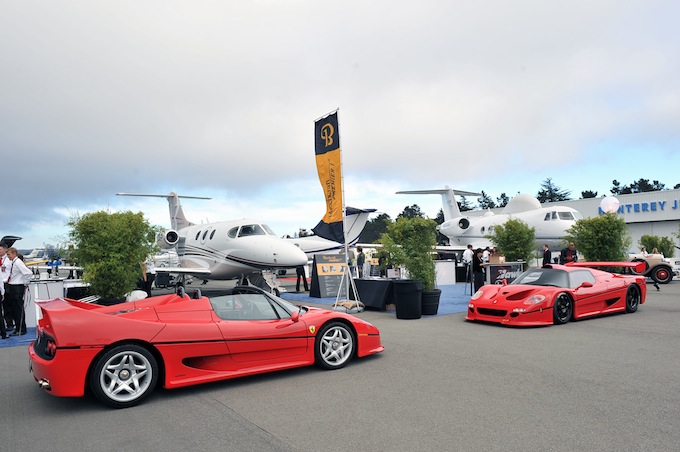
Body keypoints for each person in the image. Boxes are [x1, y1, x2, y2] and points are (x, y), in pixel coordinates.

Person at [4, 247, 33, 336]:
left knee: (18, 309)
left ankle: (21, 329)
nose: (8, 257)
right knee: (14, 309)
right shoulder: (14, 262)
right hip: (13, 286)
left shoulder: (18, 262)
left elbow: (28, 273)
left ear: (14, 254)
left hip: (17, 287)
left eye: (9, 254)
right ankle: (18, 327)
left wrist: (25, 283)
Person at [0, 242, 13, 332]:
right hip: (0, 284)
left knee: (7, 305)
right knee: (2, 306)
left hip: (6, 283)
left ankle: (10, 324)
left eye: (0, 249)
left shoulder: (9, 260)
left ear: (5, 249)